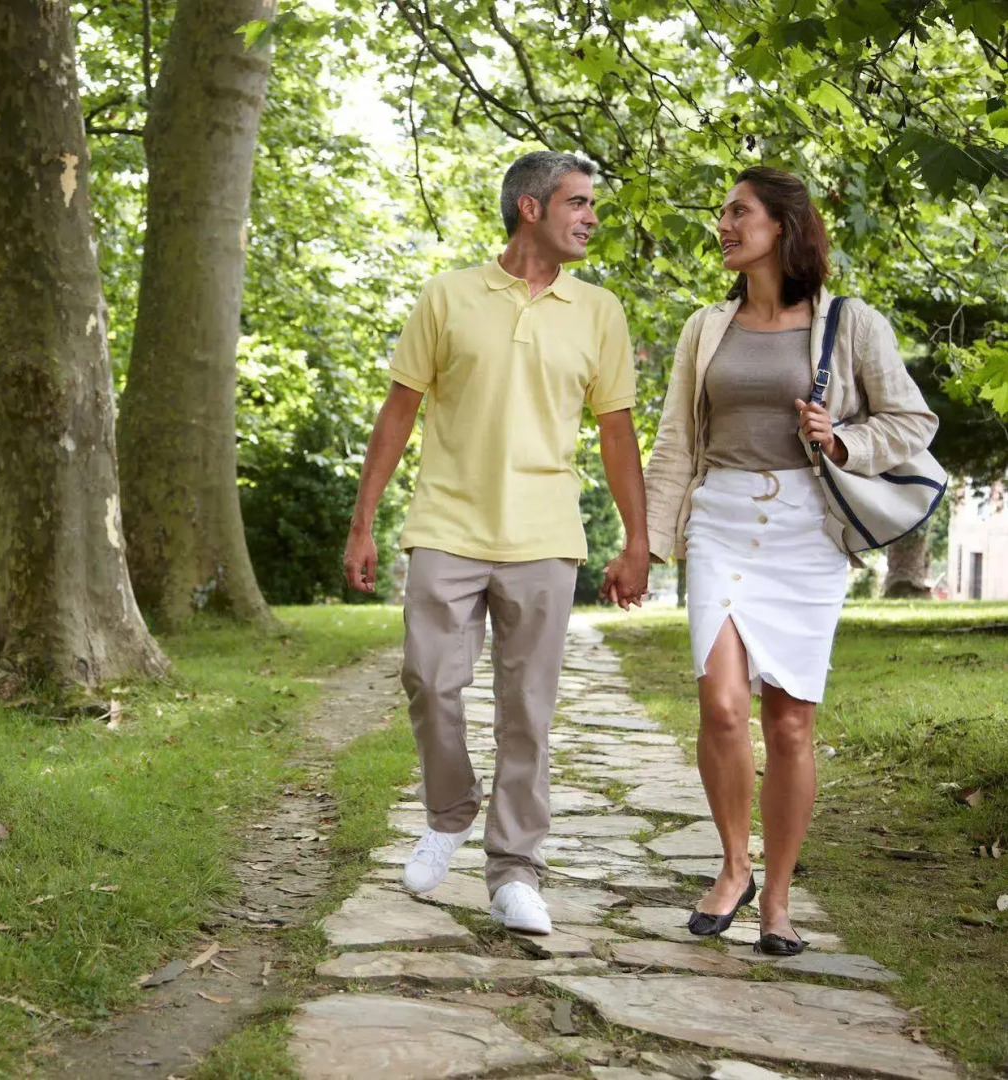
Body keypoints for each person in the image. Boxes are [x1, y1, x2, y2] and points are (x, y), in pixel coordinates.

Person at [343, 150, 649, 935]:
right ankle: (449, 814)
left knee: (528, 712)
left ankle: (515, 870)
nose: (590, 218)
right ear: (530, 209)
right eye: (578, 203)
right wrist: (362, 521)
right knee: (428, 680)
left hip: (545, 533)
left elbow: (616, 434)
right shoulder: (447, 296)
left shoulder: (598, 312)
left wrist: (635, 539)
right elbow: (397, 413)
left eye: (592, 206)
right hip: (447, 525)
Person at [643, 166, 938, 955]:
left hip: (805, 531)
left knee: (791, 722)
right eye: (722, 213)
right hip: (720, 520)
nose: (723, 224)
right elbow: (675, 440)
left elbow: (911, 420)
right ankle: (733, 867)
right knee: (722, 705)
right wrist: (645, 540)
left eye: (738, 212)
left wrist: (842, 440)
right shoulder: (705, 326)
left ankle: (776, 899)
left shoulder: (851, 323)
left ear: (782, 224)